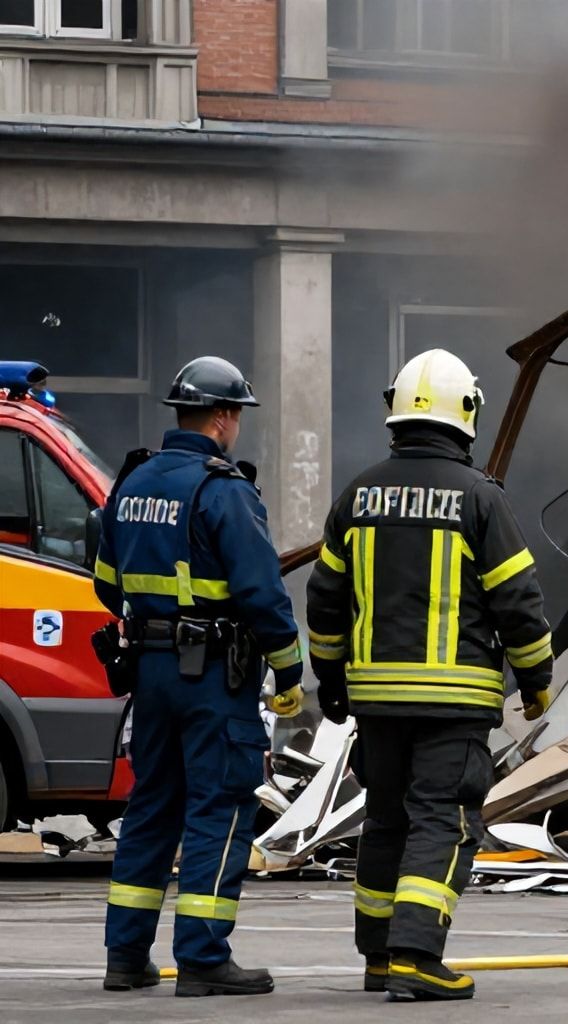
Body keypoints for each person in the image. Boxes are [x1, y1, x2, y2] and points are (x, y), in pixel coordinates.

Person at [306, 349, 555, 1001]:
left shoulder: (357, 495)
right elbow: (519, 602)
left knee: (386, 821)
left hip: (376, 704)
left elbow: (325, 599)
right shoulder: (481, 498)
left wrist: (329, 680)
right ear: (466, 413)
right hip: (454, 704)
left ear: (396, 412)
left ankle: (380, 958)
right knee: (443, 821)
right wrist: (536, 684)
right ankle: (418, 956)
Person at [94, 356, 303, 997]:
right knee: (220, 809)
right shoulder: (224, 490)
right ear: (223, 416)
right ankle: (203, 958)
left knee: (153, 807)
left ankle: (126, 957)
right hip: (214, 679)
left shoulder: (131, 483)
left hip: (151, 675)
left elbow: (107, 584)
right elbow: (262, 594)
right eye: (238, 413)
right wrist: (290, 670)